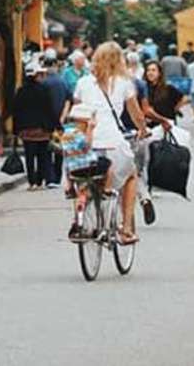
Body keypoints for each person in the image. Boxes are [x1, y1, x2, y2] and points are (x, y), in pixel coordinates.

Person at [73, 42, 148, 245]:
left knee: (86, 179)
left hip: (87, 143)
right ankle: (126, 228)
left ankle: (81, 214)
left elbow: (78, 114)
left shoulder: (83, 83)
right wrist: (143, 130)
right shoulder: (125, 83)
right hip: (113, 143)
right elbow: (137, 115)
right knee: (131, 176)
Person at [58, 103, 106, 240]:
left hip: (73, 170)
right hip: (87, 167)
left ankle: (77, 220)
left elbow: (66, 158)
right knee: (107, 167)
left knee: (80, 193)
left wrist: (67, 181)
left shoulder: (66, 135)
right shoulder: (81, 133)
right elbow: (87, 146)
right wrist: (90, 129)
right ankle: (106, 191)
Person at [13, 60, 57, 190]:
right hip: (42, 130)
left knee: (29, 157)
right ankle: (39, 181)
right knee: (43, 157)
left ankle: (31, 182)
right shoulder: (43, 90)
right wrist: (56, 126)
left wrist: (16, 130)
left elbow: (16, 111)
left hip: (27, 131)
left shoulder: (21, 92)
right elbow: (50, 110)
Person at [41, 49, 71, 187]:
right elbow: (68, 100)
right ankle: (58, 177)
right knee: (59, 149)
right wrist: (63, 117)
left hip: (46, 121)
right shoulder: (62, 82)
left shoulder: (42, 83)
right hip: (60, 121)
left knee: (46, 150)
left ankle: (50, 178)